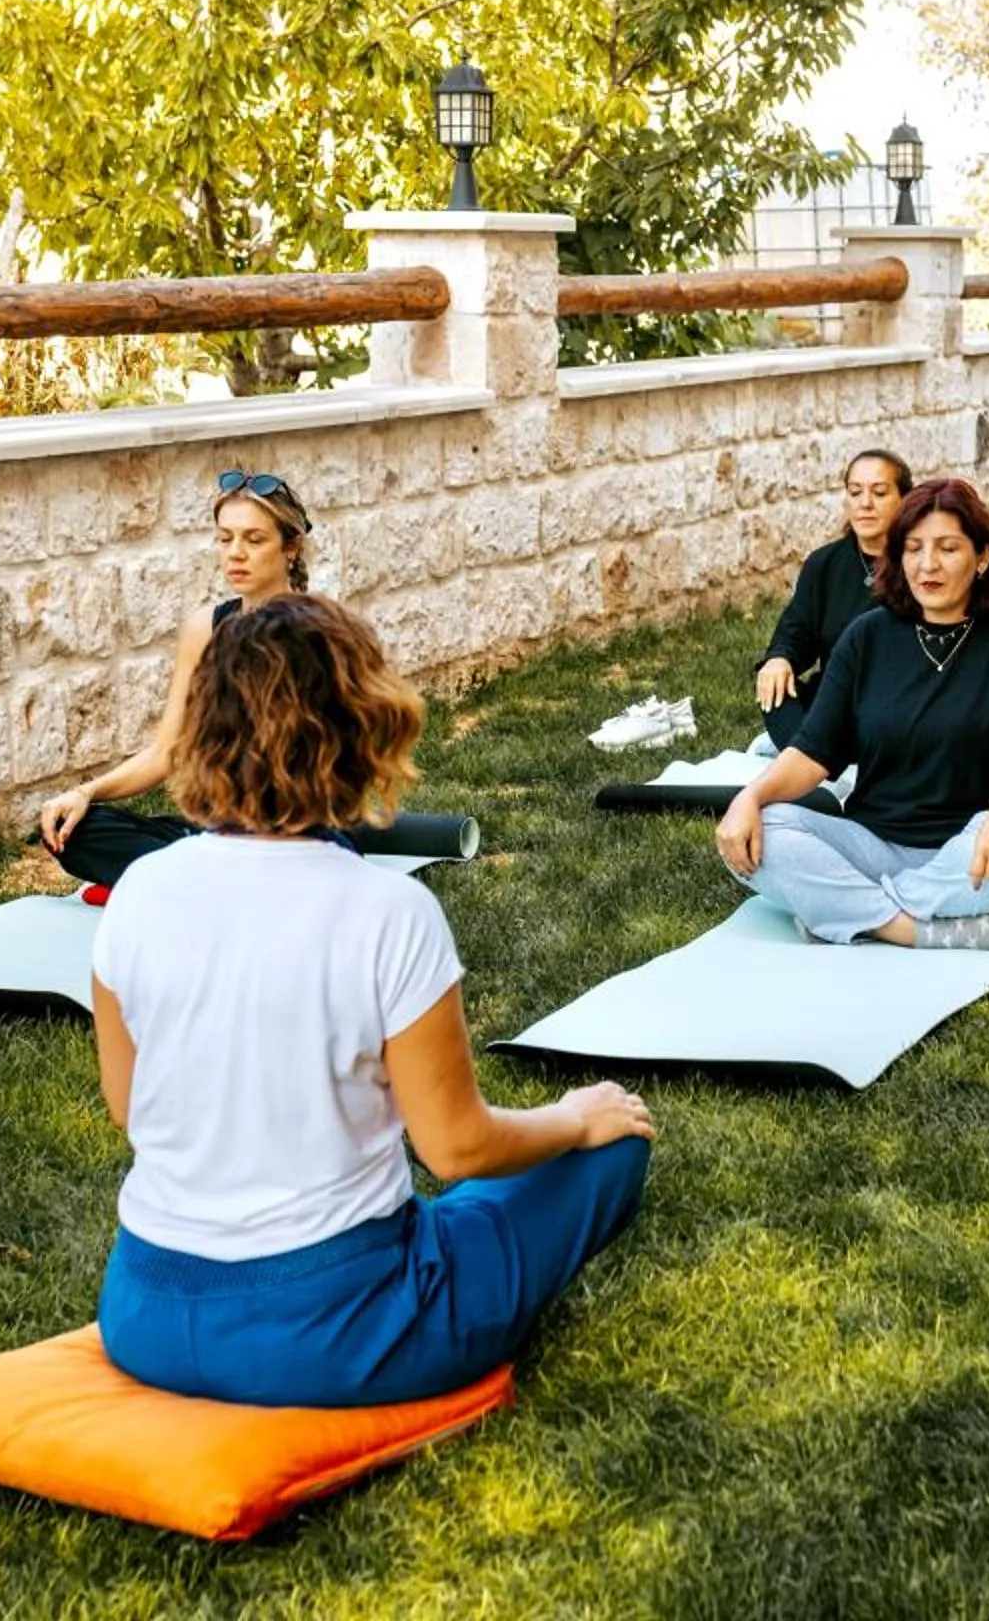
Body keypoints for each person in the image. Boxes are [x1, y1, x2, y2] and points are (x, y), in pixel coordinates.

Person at [90, 595, 654, 1408]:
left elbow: (126, 1104)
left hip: (143, 1309)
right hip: (335, 1332)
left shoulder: (139, 889)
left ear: (204, 729)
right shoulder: (387, 912)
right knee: (612, 1149)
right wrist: (574, 1115)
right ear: (363, 727)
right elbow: (456, 1149)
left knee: (463, 1197)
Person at [716, 478, 989, 950]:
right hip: (872, 848)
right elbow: (812, 754)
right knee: (763, 831)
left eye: (947, 548)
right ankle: (914, 930)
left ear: (982, 558)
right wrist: (749, 799)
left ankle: (843, 912)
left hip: (975, 848)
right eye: (913, 548)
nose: (928, 565)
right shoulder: (867, 637)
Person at [35, 468, 314, 886]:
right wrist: (83, 793)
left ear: (290, 547)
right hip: (215, 833)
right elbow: (166, 751)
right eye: (225, 538)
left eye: (254, 540)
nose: (235, 553)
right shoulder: (206, 628)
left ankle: (180, 884)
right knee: (78, 833)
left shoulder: (318, 632)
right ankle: (198, 882)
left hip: (291, 831)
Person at [754, 448, 911, 750]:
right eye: (855, 492)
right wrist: (779, 658)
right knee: (776, 688)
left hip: (897, 706)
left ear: (904, 499)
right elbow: (796, 631)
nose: (865, 504)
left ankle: (809, 763)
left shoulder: (919, 563)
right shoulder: (824, 564)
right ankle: (806, 760)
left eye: (879, 493)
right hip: (834, 706)